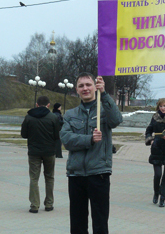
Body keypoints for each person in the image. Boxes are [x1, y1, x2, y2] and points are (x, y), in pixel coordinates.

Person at [60, 73, 122, 234]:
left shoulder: (104, 110)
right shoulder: (70, 115)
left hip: (99, 172)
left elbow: (116, 120)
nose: (85, 88)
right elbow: (66, 139)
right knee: (77, 223)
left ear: (95, 87)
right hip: (76, 174)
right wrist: (89, 139)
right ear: (77, 90)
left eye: (88, 84)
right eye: (81, 86)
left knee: (100, 222)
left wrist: (106, 94)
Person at [21, 95, 60, 213]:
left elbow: (24, 134)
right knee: (49, 177)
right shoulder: (53, 117)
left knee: (34, 178)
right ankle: (49, 203)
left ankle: (34, 205)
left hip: (34, 152)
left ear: (37, 104)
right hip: (49, 151)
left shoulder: (29, 117)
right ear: (48, 105)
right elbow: (57, 136)